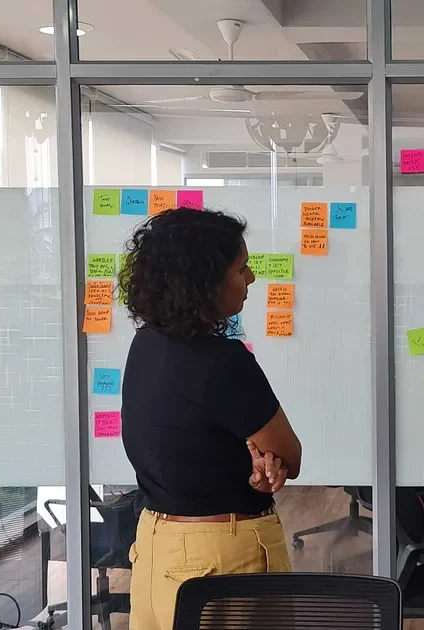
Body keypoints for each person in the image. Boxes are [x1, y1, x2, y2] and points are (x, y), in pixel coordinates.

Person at [119, 207, 303, 630]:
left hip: (155, 549)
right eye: (241, 269)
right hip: (221, 558)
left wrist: (252, 471)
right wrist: (265, 462)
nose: (251, 279)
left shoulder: (145, 345)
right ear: (204, 283)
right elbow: (290, 457)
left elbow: (187, 447)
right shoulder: (222, 362)